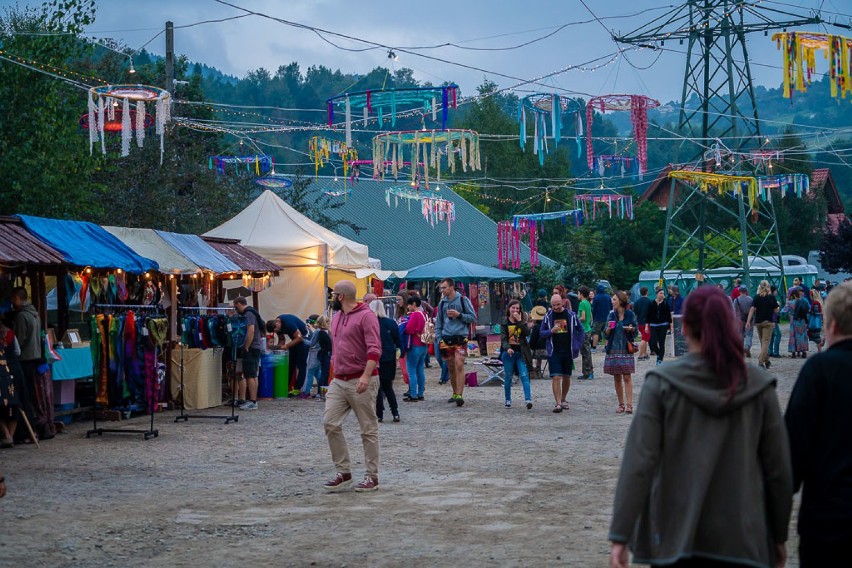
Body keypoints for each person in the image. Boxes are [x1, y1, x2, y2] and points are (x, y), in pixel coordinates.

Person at [609, 286, 792, 568]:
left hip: (674, 537)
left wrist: (621, 535)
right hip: (742, 538)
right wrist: (778, 536)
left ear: (685, 328)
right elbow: (778, 470)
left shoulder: (661, 384)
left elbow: (639, 463)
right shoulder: (759, 386)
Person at [785, 282, 852, 567]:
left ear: (831, 324)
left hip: (829, 520)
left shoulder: (819, 371)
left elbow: (792, 451)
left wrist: (776, 532)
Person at [322, 280, 382, 492]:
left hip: (361, 378)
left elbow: (375, 349)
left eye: (333, 295)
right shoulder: (336, 317)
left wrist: (366, 376)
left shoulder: (367, 317)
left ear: (340, 297)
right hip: (339, 379)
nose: (331, 298)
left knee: (367, 429)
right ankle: (344, 471)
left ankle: (371, 476)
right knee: (330, 423)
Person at [12, 286, 54, 440]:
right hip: (35, 358)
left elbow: (19, 340)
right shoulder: (35, 314)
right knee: (34, 396)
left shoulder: (22, 316)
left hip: (24, 360)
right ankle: (39, 428)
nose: (12, 302)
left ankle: (31, 430)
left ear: (18, 298)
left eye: (13, 298)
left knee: (26, 397)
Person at [434, 278, 476, 407]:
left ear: (451, 287)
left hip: (460, 337)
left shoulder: (463, 300)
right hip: (446, 338)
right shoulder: (442, 303)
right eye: (441, 288)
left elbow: (473, 317)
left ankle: (459, 395)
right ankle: (454, 392)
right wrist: (439, 337)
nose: (442, 290)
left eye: (444, 287)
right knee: (451, 366)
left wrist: (459, 315)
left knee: (459, 364)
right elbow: (439, 322)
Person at [539, 294, 582, 413]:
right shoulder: (548, 316)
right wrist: (550, 331)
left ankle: (563, 399)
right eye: (553, 305)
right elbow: (541, 333)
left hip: (568, 350)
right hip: (554, 351)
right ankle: (558, 403)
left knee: (567, 377)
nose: (556, 307)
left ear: (562, 303)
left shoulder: (571, 315)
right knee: (556, 376)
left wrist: (578, 344)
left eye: (558, 304)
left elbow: (581, 330)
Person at [604, 291, 637, 414]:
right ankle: (621, 404)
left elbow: (636, 332)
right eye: (612, 299)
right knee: (617, 376)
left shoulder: (630, 315)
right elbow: (605, 335)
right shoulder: (611, 315)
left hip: (625, 348)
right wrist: (607, 329)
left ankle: (629, 405)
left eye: (614, 299)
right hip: (613, 349)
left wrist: (631, 329)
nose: (612, 302)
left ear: (621, 301)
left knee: (627, 376)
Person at [370, 300, 400, 423]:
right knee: (388, 386)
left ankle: (379, 414)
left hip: (375, 358)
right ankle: (395, 412)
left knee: (377, 388)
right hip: (389, 357)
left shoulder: (371, 324)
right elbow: (398, 341)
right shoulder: (391, 323)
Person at [500, 300, 533, 409]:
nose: (515, 310)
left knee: (524, 375)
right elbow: (503, 339)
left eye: (517, 308)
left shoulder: (522, 320)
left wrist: (520, 321)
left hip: (521, 352)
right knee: (508, 376)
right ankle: (508, 399)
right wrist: (508, 348)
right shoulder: (505, 322)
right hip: (508, 353)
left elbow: (527, 332)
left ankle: (528, 399)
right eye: (513, 308)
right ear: (509, 309)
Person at [232, 297, 262, 410]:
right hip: (255, 347)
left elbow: (251, 330)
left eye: (236, 306)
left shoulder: (248, 313)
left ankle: (253, 401)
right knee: (253, 375)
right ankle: (253, 401)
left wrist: (246, 347)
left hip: (251, 347)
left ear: (239, 304)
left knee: (250, 375)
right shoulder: (252, 312)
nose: (236, 309)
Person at [267, 314, 308, 396]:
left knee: (301, 365)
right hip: (295, 339)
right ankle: (285, 387)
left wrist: (286, 346)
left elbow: (299, 338)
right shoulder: (277, 325)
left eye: (276, 330)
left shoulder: (288, 323)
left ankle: (297, 389)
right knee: (290, 364)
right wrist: (277, 351)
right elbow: (282, 339)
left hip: (304, 338)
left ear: (277, 325)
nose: (276, 332)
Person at [746, 280, 779, 369]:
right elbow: (776, 311)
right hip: (768, 322)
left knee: (762, 342)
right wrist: (778, 305)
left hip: (758, 322)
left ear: (760, 287)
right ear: (768, 287)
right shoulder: (771, 297)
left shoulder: (756, 297)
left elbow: (752, 309)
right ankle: (761, 362)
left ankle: (767, 361)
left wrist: (748, 321)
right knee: (765, 343)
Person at [402, 296, 428, 402]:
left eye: (409, 305)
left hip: (415, 345)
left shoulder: (415, 314)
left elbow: (409, 329)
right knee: (420, 370)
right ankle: (420, 393)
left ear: (413, 304)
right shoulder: (424, 314)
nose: (408, 307)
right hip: (424, 345)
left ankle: (413, 394)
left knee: (411, 371)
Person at [301, 315, 331, 400]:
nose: (310, 324)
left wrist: (301, 339)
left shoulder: (319, 331)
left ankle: (307, 392)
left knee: (311, 373)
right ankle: (321, 391)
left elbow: (312, 343)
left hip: (317, 355)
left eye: (311, 322)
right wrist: (310, 331)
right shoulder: (322, 331)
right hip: (321, 355)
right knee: (319, 374)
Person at [646, 287, 672, 366]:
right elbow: (648, 315)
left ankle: (660, 360)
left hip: (663, 325)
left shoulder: (665, 303)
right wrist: (647, 326)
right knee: (653, 342)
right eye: (661, 293)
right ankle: (658, 354)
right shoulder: (651, 303)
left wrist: (671, 325)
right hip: (653, 325)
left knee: (661, 343)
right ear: (657, 294)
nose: (662, 295)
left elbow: (668, 315)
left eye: (663, 293)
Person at [576, 286, 594, 380]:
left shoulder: (582, 303)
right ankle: (590, 371)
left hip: (583, 330)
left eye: (578, 293)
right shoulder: (588, 303)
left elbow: (582, 317)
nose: (577, 295)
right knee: (588, 351)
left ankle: (587, 372)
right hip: (588, 328)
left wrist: (575, 319)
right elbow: (590, 317)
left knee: (584, 352)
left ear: (581, 294)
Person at [788, 287, 810, 358]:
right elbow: (808, 309)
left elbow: (784, 311)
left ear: (793, 295)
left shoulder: (790, 303)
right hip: (802, 320)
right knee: (803, 335)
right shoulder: (804, 301)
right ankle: (803, 351)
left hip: (793, 320)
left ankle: (793, 352)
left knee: (793, 336)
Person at [733, 285, 754, 357]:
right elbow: (753, 310)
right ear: (746, 291)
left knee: (740, 335)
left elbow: (735, 311)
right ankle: (747, 347)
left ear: (739, 291)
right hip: (749, 319)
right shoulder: (750, 299)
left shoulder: (736, 300)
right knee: (749, 334)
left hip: (739, 320)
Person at [632, 287, 652, 361]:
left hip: (639, 322)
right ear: (647, 292)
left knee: (645, 338)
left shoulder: (637, 302)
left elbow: (635, 313)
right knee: (644, 339)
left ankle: (645, 354)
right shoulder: (650, 301)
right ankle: (640, 355)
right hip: (647, 323)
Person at [528, 305, 548, 379]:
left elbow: (532, 343)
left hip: (538, 352)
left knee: (528, 350)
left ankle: (532, 369)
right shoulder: (548, 325)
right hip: (549, 352)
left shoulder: (536, 327)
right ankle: (538, 368)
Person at [591, 283, 611, 351]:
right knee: (606, 332)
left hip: (597, 318)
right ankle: (606, 347)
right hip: (607, 318)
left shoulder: (596, 298)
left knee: (595, 332)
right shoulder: (608, 297)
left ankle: (594, 348)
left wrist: (593, 318)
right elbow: (611, 307)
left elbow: (594, 309)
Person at [769, 285, 782, 358]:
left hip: (768, 319)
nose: (776, 292)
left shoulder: (767, 297)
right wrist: (778, 306)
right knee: (778, 335)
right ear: (773, 291)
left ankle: (770, 351)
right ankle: (776, 352)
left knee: (772, 335)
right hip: (773, 320)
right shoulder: (773, 298)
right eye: (776, 291)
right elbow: (776, 311)